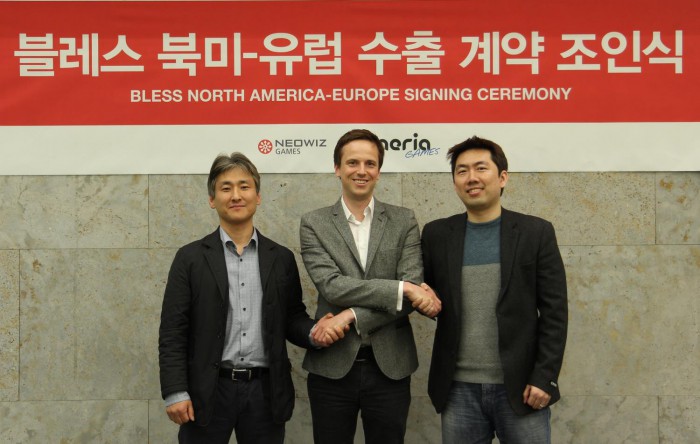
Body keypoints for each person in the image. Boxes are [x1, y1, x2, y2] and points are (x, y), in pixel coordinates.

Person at [158, 152, 347, 444]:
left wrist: (314, 332)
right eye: (226, 188)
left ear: (257, 196)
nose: (236, 195)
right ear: (212, 199)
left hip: (264, 393)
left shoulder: (280, 258)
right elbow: (173, 331)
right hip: (207, 391)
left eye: (244, 186)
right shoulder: (190, 258)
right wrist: (175, 391)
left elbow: (291, 318)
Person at [421, 136, 568, 443]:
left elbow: (555, 313)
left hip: (522, 388)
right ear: (454, 182)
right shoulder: (436, 235)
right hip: (458, 390)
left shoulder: (535, 232)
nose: (471, 178)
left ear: (502, 177)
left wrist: (545, 377)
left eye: (480, 168)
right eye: (462, 171)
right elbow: (423, 293)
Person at [300, 128, 441, 444]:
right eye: (352, 163)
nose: (361, 171)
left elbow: (410, 296)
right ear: (337, 168)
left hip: (391, 367)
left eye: (370, 163)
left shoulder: (404, 220)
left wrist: (349, 315)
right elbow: (332, 286)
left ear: (378, 170)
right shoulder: (314, 223)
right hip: (331, 367)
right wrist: (402, 289)